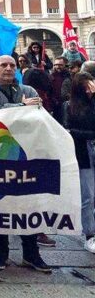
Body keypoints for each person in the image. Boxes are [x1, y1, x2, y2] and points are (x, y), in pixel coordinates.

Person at [0, 55, 52, 272]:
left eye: (12, 65)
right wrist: (21, 107)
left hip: (27, 153)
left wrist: (23, 107)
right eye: (3, 65)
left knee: (28, 203)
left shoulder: (29, 90)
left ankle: (31, 254)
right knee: (1, 203)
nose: (8, 68)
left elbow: (38, 116)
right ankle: (1, 253)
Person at [63, 72, 95, 253]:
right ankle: (90, 234)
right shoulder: (69, 106)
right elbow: (68, 130)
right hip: (83, 152)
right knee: (88, 195)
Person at [51, 57, 71, 122]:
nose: (57, 67)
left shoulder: (70, 77)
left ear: (65, 65)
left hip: (68, 105)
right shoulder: (51, 76)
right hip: (55, 106)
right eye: (55, 65)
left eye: (60, 65)